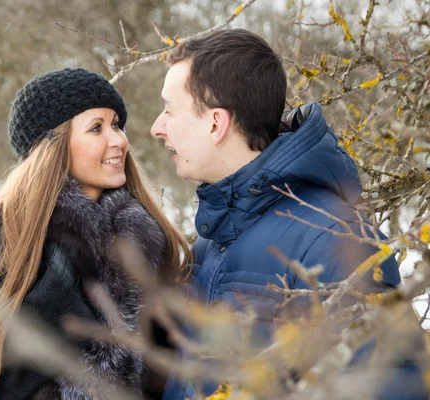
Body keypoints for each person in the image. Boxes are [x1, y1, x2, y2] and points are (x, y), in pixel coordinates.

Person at [150, 28, 426, 399]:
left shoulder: (332, 237)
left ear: (216, 123)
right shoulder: (212, 238)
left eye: (169, 110)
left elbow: (388, 385)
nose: (157, 127)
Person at [0, 68, 191, 399]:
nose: (118, 140)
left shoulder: (144, 236)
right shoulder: (2, 233)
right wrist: (55, 306)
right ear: (53, 146)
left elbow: (171, 370)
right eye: (96, 128)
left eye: (116, 124)